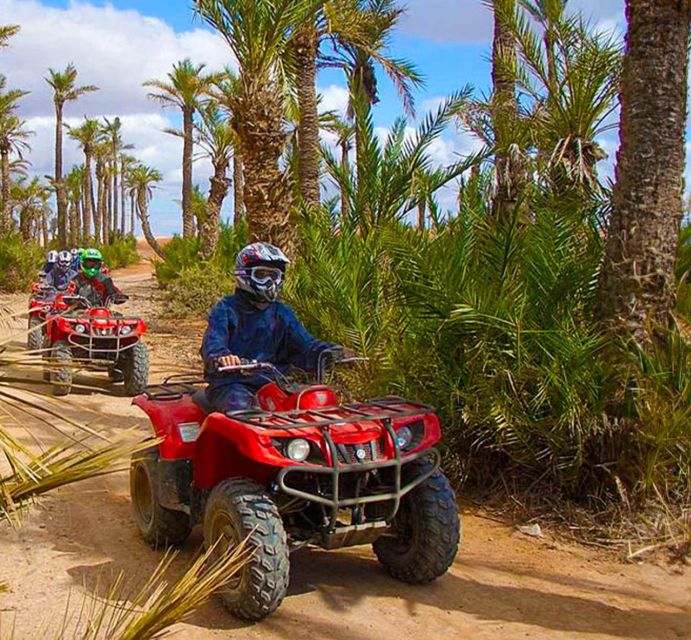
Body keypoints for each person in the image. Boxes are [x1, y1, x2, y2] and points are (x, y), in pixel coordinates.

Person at [201, 242, 346, 412]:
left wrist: (329, 351)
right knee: (241, 409)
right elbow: (213, 341)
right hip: (232, 383)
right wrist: (221, 355)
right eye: (261, 274)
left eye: (274, 276)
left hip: (276, 384)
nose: (269, 282)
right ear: (244, 274)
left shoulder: (282, 313)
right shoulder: (225, 309)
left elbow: (305, 344)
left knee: (315, 405)